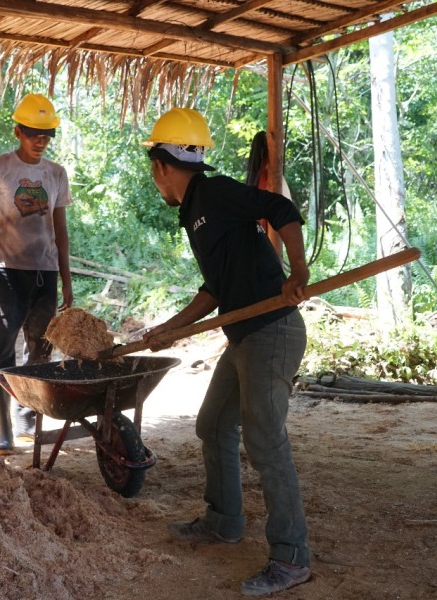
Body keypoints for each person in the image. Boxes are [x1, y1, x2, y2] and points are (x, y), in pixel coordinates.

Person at [141, 107, 312, 597]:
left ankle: (291, 557)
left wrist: (297, 271)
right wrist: (169, 329)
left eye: (154, 173)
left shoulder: (212, 194)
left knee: (264, 440)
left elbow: (280, 209)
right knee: (213, 424)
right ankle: (223, 520)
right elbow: (213, 291)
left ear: (160, 166)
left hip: (272, 331)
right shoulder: (198, 211)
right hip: (244, 336)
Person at [0, 93, 74, 454]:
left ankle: (26, 416)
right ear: (17, 131)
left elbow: (60, 230)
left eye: (47, 135)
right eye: (33, 133)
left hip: (44, 273)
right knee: (2, 351)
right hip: (6, 273)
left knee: (40, 348)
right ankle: (4, 430)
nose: (40, 141)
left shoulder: (56, 174)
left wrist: (65, 277)